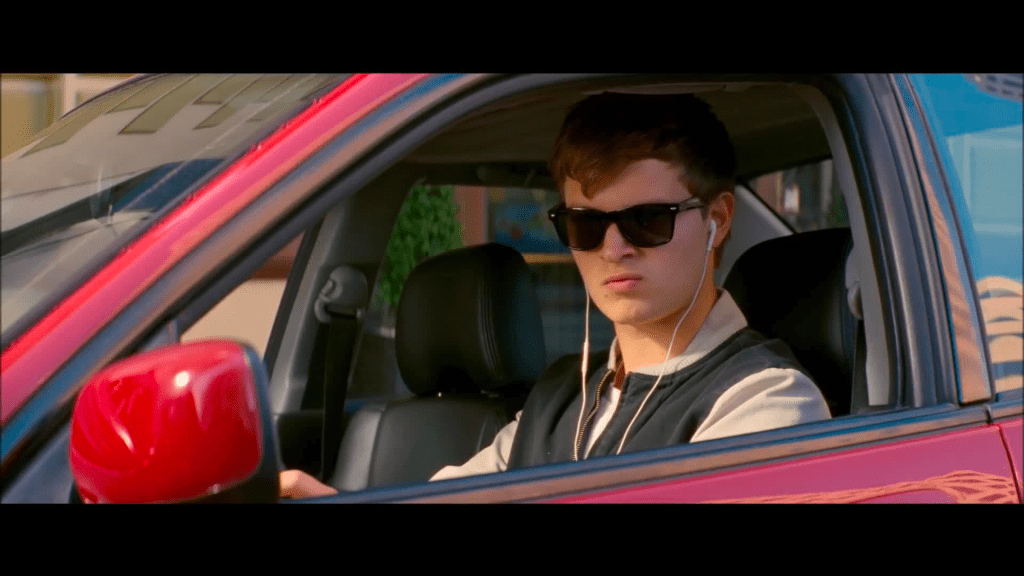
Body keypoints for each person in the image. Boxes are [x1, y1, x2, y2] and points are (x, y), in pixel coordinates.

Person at [279, 92, 831, 498]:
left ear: (718, 219)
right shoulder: (562, 395)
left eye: (646, 220)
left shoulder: (765, 402)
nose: (613, 248)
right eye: (585, 224)